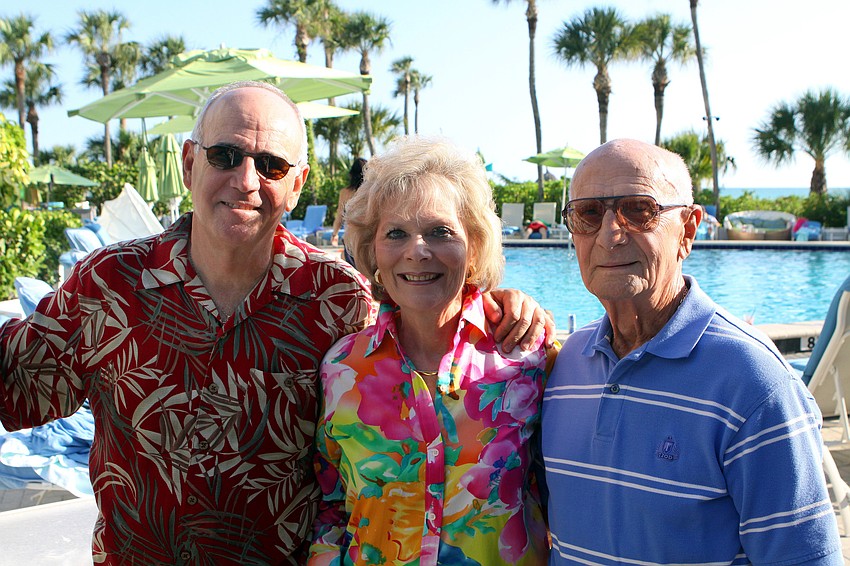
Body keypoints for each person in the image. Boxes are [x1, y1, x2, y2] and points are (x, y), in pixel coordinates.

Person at [0, 81, 553, 565]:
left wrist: (493, 299)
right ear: (190, 162)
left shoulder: (336, 299)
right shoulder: (108, 284)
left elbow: (423, 332)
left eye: (271, 165)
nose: (246, 180)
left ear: (296, 183)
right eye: (225, 155)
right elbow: (16, 386)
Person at [542, 139, 842, 564]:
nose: (609, 233)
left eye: (637, 209)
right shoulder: (566, 364)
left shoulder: (754, 382)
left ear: (687, 230)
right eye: (588, 214)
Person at [309, 136, 553, 565]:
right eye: (396, 233)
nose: (417, 251)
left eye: (440, 232)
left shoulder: (527, 357)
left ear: (473, 245)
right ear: (372, 251)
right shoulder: (341, 369)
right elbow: (331, 505)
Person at [330, 157, 366, 248]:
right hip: (368, 238)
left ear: (351, 174)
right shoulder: (371, 192)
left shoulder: (345, 193)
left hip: (351, 238)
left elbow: (339, 216)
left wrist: (335, 234)